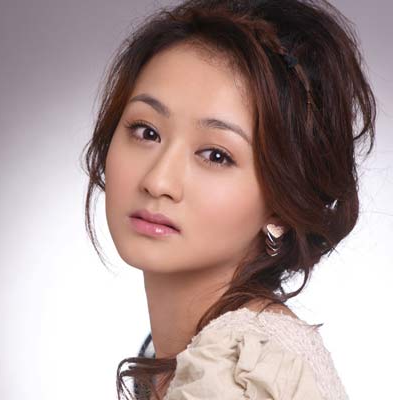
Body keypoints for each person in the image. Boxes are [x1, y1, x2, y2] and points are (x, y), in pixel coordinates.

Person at [81, 0, 376, 399]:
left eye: (216, 155)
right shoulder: (227, 352)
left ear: (282, 202)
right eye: (147, 131)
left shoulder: (235, 371)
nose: (158, 181)